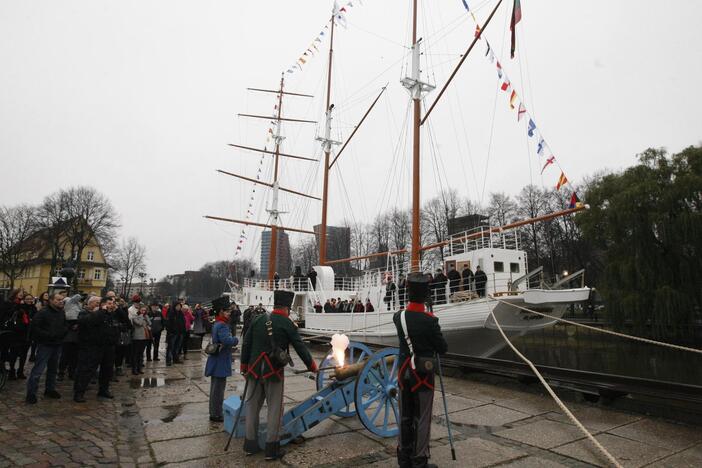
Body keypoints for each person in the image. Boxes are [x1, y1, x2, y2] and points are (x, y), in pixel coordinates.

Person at [240, 290, 318, 460]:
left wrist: (244, 366)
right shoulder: (287, 323)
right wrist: (312, 366)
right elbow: (300, 347)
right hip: (273, 372)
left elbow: (246, 343)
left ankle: (250, 445)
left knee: (252, 407)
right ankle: (271, 448)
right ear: (286, 308)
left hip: (253, 370)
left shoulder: (258, 319)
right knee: (274, 410)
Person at [393, 273, 448, 468]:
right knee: (422, 418)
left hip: (403, 375)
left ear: (408, 293)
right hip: (422, 376)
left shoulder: (398, 317)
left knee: (405, 416)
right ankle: (419, 461)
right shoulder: (430, 321)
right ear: (426, 295)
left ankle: (404, 458)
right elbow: (442, 348)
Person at [73, 296, 119, 402]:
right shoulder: (85, 313)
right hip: (92, 346)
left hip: (107, 346)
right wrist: (100, 311)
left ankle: (103, 390)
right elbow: (88, 322)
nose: (99, 305)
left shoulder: (109, 314)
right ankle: (79, 392)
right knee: (87, 370)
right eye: (97, 303)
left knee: (107, 370)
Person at [26, 292, 67, 404]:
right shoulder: (43, 312)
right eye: (58, 300)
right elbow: (35, 328)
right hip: (45, 345)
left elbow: (64, 325)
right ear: (51, 300)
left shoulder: (61, 312)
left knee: (53, 369)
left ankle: (50, 389)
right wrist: (48, 335)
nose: (60, 301)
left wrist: (63, 333)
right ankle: (31, 393)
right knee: (38, 370)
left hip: (57, 344)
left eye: (62, 300)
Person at [205, 296, 239, 422]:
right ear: (221, 311)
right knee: (218, 390)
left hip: (216, 359)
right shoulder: (223, 325)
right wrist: (235, 340)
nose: (229, 313)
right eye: (227, 311)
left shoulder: (217, 323)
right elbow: (227, 340)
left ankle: (214, 412)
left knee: (215, 388)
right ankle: (216, 414)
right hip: (221, 360)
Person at [7, 293, 33, 380]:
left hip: (27, 335)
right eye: (27, 299)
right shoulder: (19, 308)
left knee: (24, 355)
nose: (29, 300)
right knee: (14, 354)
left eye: (31, 299)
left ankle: (20, 371)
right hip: (17, 335)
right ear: (24, 300)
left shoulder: (34, 308)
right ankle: (12, 371)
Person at [58, 293, 83, 381]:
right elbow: (77, 297)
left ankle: (71, 372)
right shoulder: (68, 301)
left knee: (75, 356)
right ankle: (61, 372)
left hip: (77, 333)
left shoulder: (79, 305)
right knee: (65, 354)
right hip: (68, 332)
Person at [114, 296, 132, 376]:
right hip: (112, 335)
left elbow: (126, 319)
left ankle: (118, 367)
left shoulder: (121, 309)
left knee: (120, 352)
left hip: (120, 333)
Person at [131, 305, 151, 375]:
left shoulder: (145, 316)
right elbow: (139, 323)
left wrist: (146, 317)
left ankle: (139, 368)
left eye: (145, 310)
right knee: (136, 354)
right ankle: (134, 369)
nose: (143, 311)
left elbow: (149, 323)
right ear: (139, 310)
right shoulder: (135, 316)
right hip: (137, 337)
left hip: (144, 337)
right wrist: (141, 316)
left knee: (141, 354)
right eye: (142, 310)